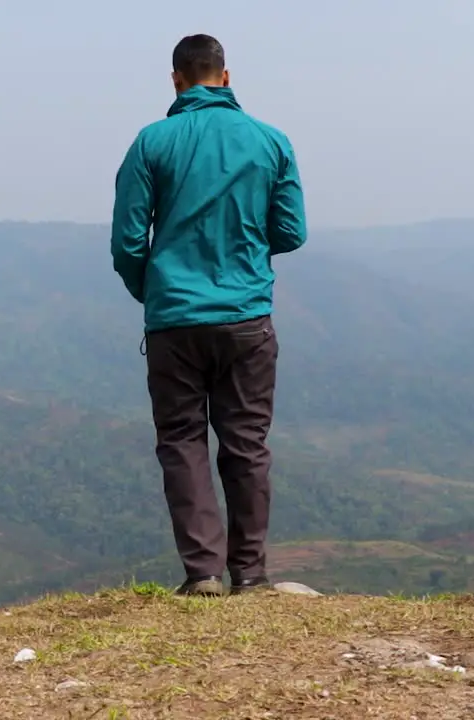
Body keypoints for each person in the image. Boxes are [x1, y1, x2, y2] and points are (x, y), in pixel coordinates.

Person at [110, 33, 307, 597]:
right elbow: (292, 231)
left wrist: (154, 291)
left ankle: (202, 574)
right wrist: (243, 247)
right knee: (246, 442)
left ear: (176, 79)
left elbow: (127, 241)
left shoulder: (151, 143)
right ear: (226, 75)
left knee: (181, 440)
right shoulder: (271, 141)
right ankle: (251, 574)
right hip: (246, 316)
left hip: (174, 319)